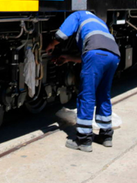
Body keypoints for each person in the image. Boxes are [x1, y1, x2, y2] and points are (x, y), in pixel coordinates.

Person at [46, 10, 120, 153]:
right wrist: (69, 58)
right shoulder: (99, 21)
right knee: (103, 94)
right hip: (114, 55)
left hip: (95, 53)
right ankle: (106, 136)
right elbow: (95, 55)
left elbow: (61, 34)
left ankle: (83, 140)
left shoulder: (78, 15)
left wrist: (52, 44)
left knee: (87, 95)